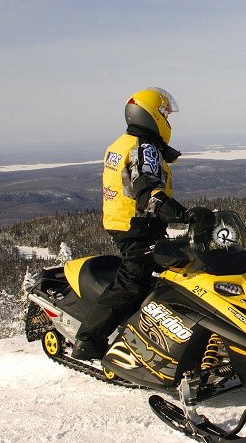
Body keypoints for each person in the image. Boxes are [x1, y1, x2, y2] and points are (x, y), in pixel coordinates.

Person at [72, 87, 214, 360]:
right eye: (165, 113)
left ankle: (161, 330)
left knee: (176, 268)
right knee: (133, 280)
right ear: (151, 114)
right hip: (137, 225)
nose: (168, 119)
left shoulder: (124, 143)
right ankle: (88, 340)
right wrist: (180, 214)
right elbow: (146, 188)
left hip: (131, 221)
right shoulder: (143, 147)